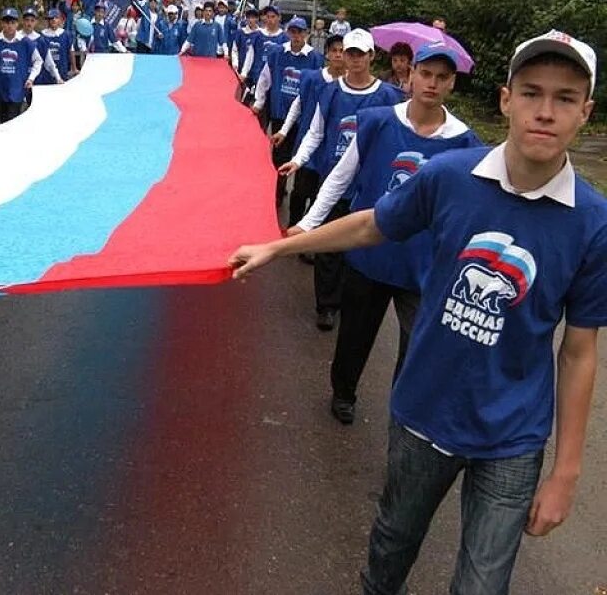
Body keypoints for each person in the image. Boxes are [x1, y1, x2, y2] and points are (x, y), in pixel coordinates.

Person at [231, 29, 605, 595]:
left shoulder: (593, 223)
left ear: (586, 112)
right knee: (392, 547)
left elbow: (578, 352)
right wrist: (283, 245)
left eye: (565, 98)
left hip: (513, 435)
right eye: (531, 93)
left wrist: (565, 475)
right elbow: (371, 223)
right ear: (506, 99)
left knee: (482, 584)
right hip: (423, 414)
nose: (545, 112)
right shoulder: (451, 177)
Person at [294, 42, 483, 425]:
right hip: (369, 254)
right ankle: (343, 392)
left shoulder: (465, 142)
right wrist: (307, 224)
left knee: (416, 347)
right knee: (355, 336)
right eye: (426, 74)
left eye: (442, 78)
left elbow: (471, 208)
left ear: (451, 85)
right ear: (411, 74)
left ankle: (405, 411)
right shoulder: (378, 121)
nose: (431, 83)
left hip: (422, 266)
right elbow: (340, 177)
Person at [279, 29, 403, 331]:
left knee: (358, 249)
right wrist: (298, 159)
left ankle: (350, 300)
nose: (355, 59)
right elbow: (316, 132)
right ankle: (327, 305)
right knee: (328, 248)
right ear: (343, 55)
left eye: (362, 53)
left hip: (368, 187)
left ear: (372, 56)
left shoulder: (387, 96)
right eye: (350, 53)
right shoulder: (330, 91)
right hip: (332, 181)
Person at [275, 34, 345, 231]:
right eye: (334, 51)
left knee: (320, 195)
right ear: (327, 54)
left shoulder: (349, 85)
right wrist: (283, 130)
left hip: (331, 149)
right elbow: (298, 105)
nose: (338, 55)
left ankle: (309, 236)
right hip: (308, 143)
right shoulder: (312, 78)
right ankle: (292, 227)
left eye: (342, 51)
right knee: (299, 191)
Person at [256, 16, 324, 207]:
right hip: (280, 114)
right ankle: (278, 193)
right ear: (288, 33)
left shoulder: (315, 58)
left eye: (300, 32)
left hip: (304, 119)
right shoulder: (278, 53)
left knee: (302, 157)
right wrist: (259, 101)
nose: (296, 36)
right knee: (279, 157)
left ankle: (298, 193)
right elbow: (265, 78)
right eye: (293, 31)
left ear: (306, 34)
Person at [0, 7, 43, 124]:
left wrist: (31, 78)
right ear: (1, 23)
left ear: (17, 24)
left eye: (12, 22)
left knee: (12, 120)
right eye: (6, 22)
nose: (9, 26)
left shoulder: (25, 42)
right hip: (0, 88)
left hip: (17, 88)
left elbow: (38, 61)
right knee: (3, 120)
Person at [240, 5, 288, 99]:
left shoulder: (284, 38)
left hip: (275, 78)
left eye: (273, 17)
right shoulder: (258, 35)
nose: (270, 20)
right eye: (268, 17)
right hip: (257, 76)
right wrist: (244, 72)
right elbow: (250, 54)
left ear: (279, 18)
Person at [20, 8, 63, 90]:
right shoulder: (17, 38)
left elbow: (49, 61)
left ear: (36, 22)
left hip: (36, 81)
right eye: (27, 20)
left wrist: (58, 78)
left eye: (32, 20)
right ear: (23, 21)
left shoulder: (40, 40)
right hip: (19, 80)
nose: (29, 23)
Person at [231, 7, 262, 103]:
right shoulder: (241, 32)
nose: (251, 20)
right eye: (249, 17)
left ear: (257, 19)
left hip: (255, 71)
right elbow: (235, 50)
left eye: (253, 17)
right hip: (241, 71)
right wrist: (235, 63)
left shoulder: (261, 33)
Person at [37, 9, 73, 84]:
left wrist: (74, 68)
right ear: (48, 20)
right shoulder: (42, 35)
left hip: (62, 69)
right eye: (51, 18)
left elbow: (71, 51)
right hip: (46, 72)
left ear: (60, 19)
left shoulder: (66, 34)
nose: (53, 20)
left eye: (56, 18)